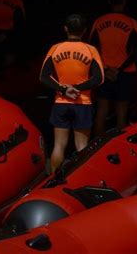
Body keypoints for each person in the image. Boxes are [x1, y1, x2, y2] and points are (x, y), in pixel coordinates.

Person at [40, 14, 104, 173]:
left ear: (66, 29)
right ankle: (80, 179)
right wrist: (78, 88)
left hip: (61, 102)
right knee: (82, 146)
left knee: (59, 145)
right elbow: (99, 78)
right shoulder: (91, 50)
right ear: (84, 31)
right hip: (82, 103)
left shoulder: (55, 48)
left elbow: (43, 76)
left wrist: (64, 89)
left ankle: (53, 180)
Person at [90, 0, 137, 137]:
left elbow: (91, 49)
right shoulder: (132, 23)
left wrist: (107, 69)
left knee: (101, 111)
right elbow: (136, 52)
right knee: (121, 112)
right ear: (124, 1)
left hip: (104, 73)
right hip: (124, 73)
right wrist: (118, 70)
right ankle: (120, 149)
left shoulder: (98, 22)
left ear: (109, 2)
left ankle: (97, 148)